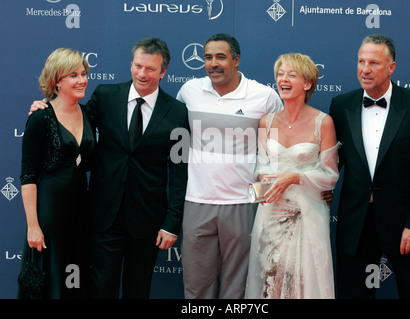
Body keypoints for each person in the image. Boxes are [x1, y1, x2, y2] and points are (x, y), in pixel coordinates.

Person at [30, 37, 189, 299]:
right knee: (101, 289)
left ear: (163, 72)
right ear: (131, 65)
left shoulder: (177, 112)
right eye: (138, 66)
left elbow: (180, 170)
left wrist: (172, 223)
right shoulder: (106, 96)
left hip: (148, 220)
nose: (142, 74)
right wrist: (45, 108)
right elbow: (72, 121)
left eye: (150, 69)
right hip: (104, 216)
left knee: (138, 290)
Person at [329, 34, 410, 299]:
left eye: (374, 63)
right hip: (357, 222)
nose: (365, 69)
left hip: (404, 223)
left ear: (391, 67)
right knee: (356, 293)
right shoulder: (341, 105)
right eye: (361, 61)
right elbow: (331, 163)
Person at [176, 33, 283, 299]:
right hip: (196, 201)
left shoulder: (265, 97)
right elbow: (176, 144)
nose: (214, 63)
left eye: (221, 57)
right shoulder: (189, 91)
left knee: (239, 285)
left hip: (243, 203)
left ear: (236, 60)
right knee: (196, 283)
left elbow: (277, 153)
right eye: (208, 57)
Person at [245, 53, 340, 299]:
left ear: (307, 84)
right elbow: (261, 165)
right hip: (271, 212)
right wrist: (266, 178)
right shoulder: (266, 121)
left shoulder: (323, 122)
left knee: (303, 281)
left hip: (306, 214)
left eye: (291, 75)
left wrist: (295, 178)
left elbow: (329, 175)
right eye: (280, 74)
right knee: (270, 279)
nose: (283, 79)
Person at [19, 48, 95, 298]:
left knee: (74, 283)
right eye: (73, 75)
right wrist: (33, 226)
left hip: (80, 215)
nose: (82, 79)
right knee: (50, 284)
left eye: (83, 73)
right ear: (57, 81)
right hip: (49, 218)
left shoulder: (89, 114)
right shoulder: (40, 118)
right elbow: (28, 177)